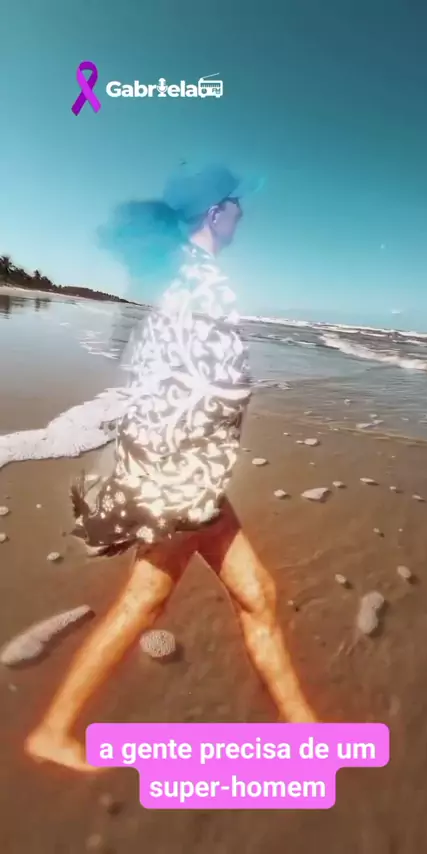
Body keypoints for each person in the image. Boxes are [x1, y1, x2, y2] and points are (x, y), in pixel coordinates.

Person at [26, 164, 317, 773]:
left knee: (256, 594)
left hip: (188, 472)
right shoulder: (197, 281)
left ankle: (304, 735)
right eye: (235, 205)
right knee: (146, 601)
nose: (241, 215)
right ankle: (52, 731)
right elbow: (192, 384)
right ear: (214, 213)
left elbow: (166, 375)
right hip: (183, 478)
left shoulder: (182, 275)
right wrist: (170, 472)